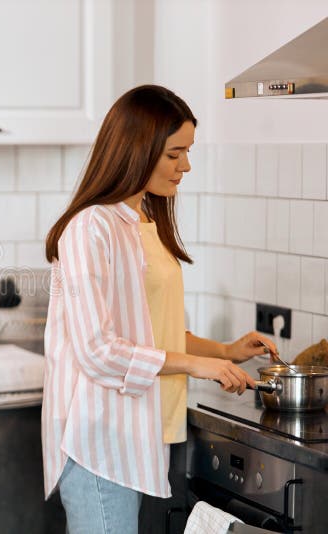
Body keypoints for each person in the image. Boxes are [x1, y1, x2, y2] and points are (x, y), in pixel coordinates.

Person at [41, 84, 276, 533]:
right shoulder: (91, 227)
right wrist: (197, 366)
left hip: (145, 431)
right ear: (136, 150)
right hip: (99, 440)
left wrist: (225, 352)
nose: (186, 166)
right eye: (174, 154)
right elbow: (98, 350)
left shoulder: (144, 220)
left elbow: (151, 331)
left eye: (187, 152)